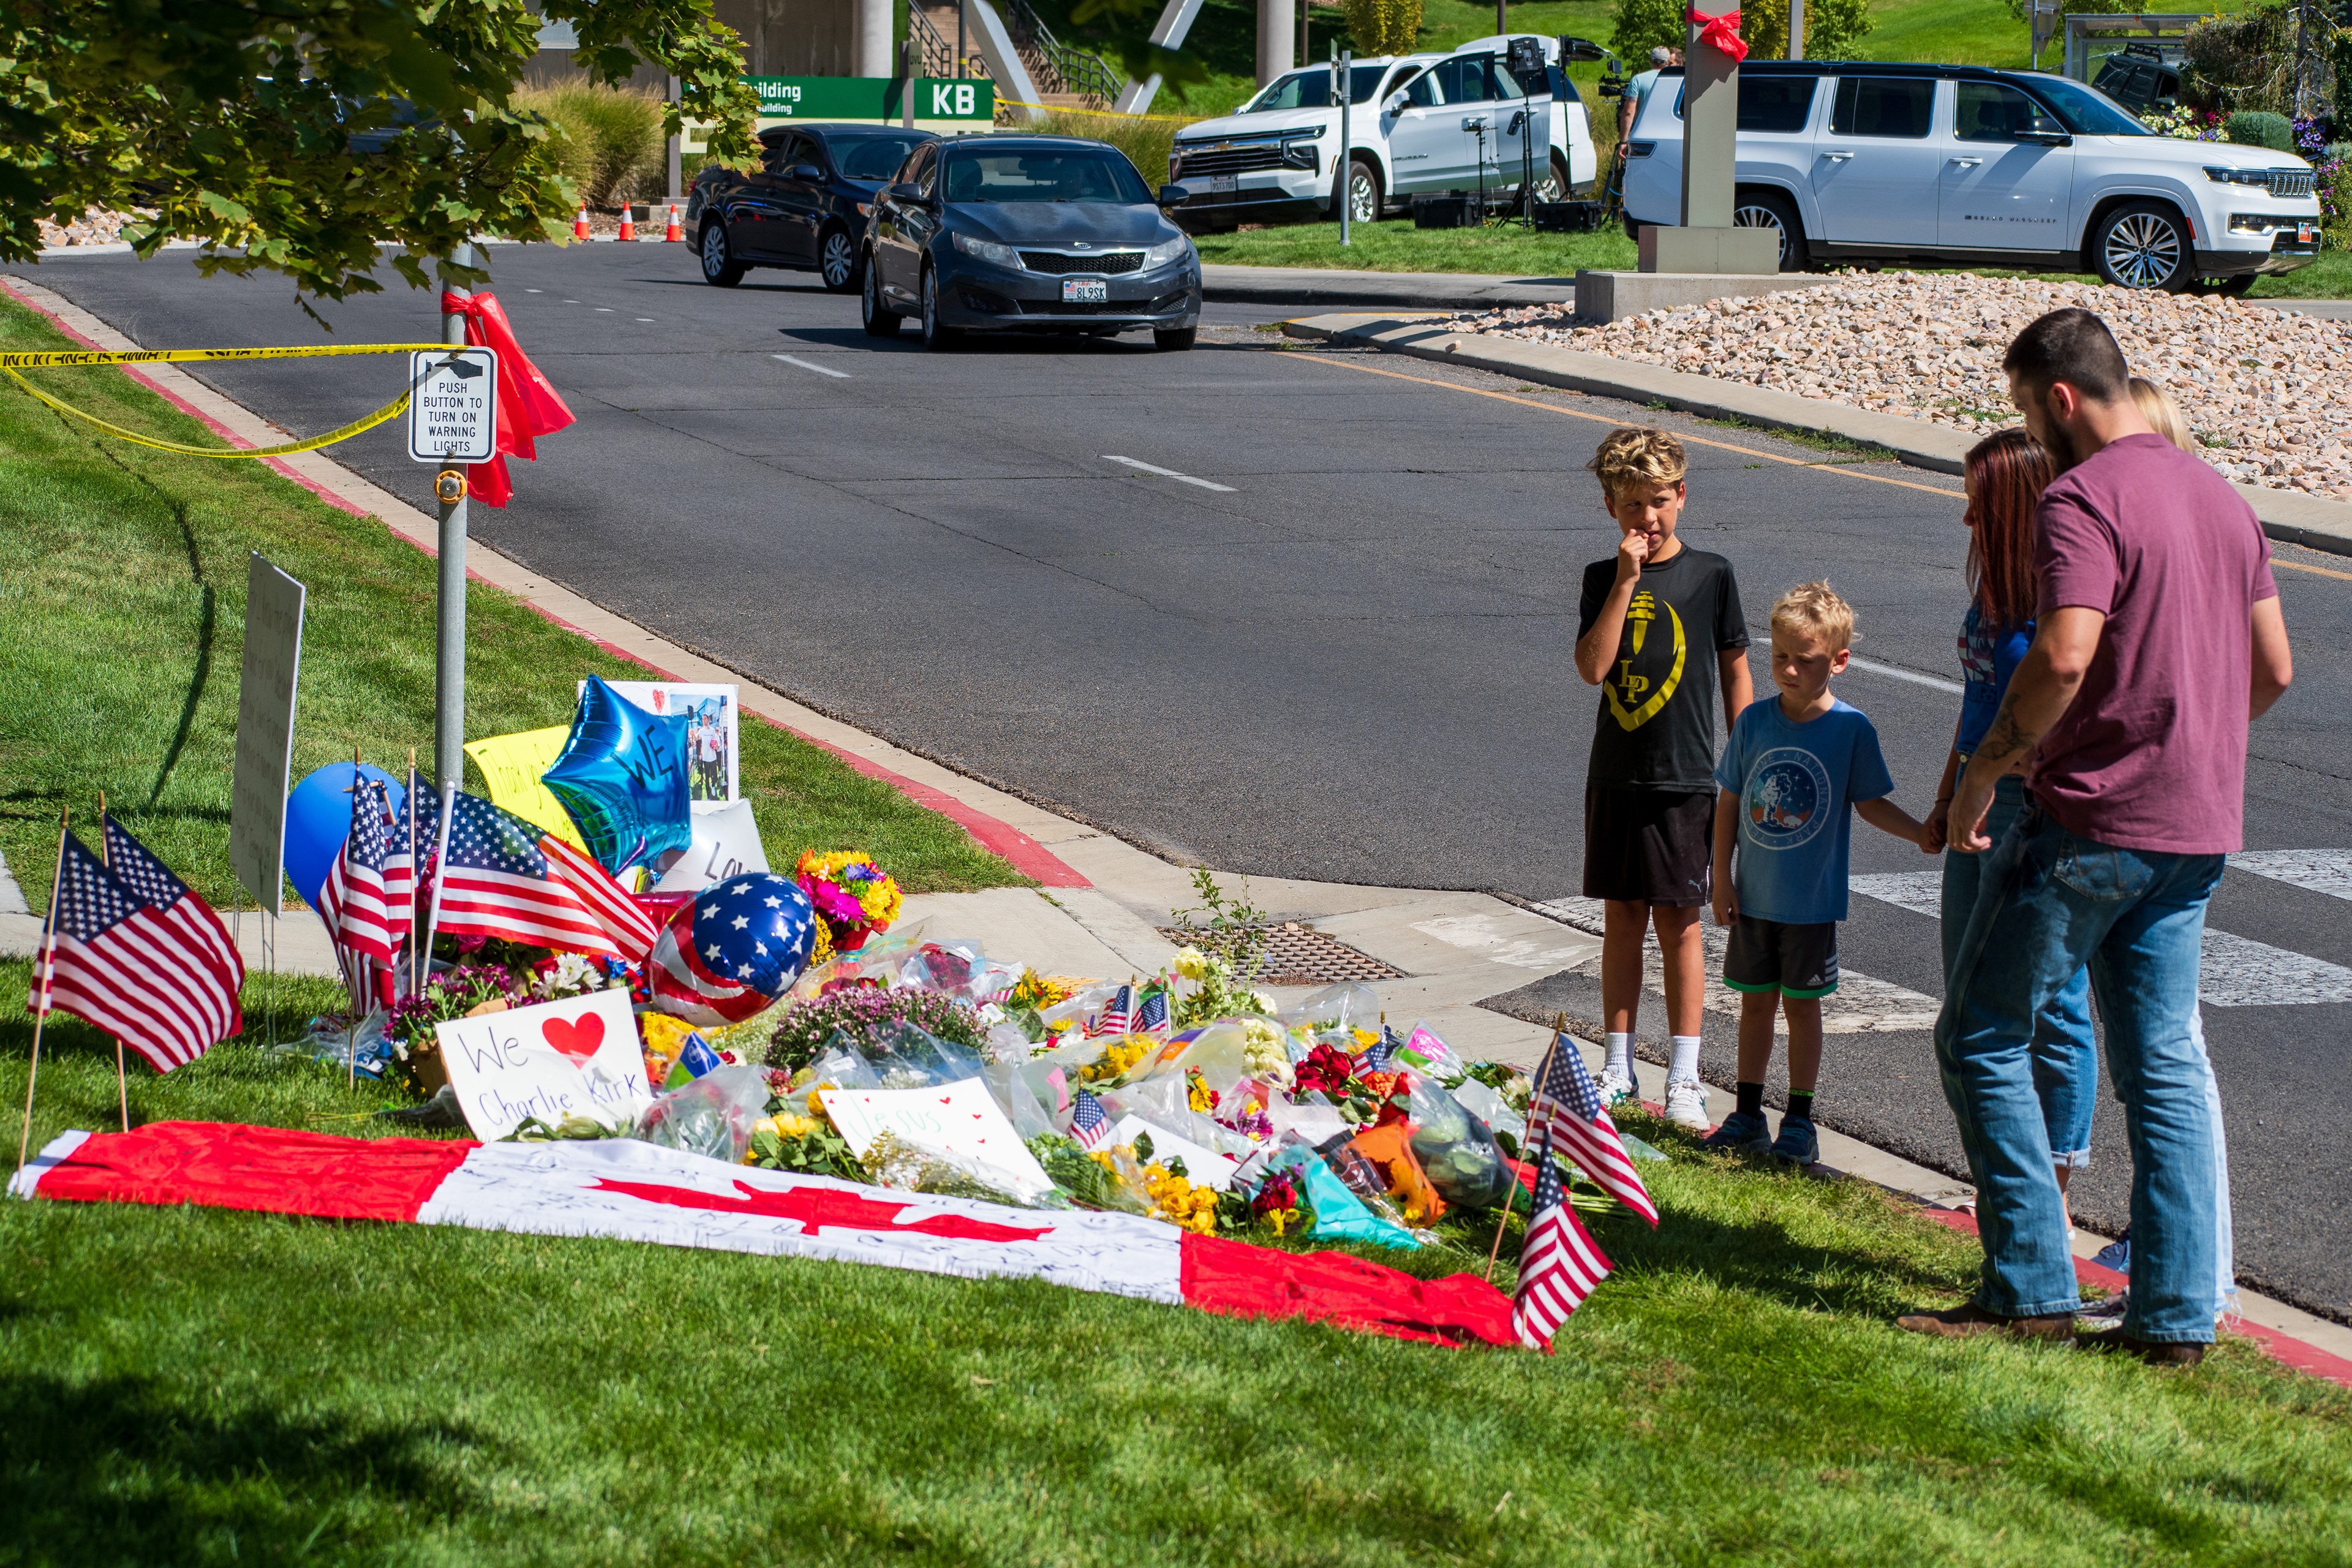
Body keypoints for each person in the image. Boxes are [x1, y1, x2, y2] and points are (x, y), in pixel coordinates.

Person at [1900, 307, 2293, 1365]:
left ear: (2060, 400)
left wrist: (1990, 767)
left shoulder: (2082, 499)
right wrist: (2188, 739)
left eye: (2029, 408)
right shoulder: (2219, 496)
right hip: (2195, 826)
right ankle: (2172, 1320)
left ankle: (2028, 1286)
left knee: (1979, 1035)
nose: (2031, 426)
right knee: (2159, 1064)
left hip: (2090, 825)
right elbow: (2273, 669)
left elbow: (2065, 656)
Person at [1923, 429, 2100, 1234]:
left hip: (2031, 815)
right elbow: (1976, 705)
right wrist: (1948, 791)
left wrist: (1993, 787)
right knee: (1969, 1000)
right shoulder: (1993, 592)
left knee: (2051, 1004)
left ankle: (2051, 1188)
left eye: (1976, 502)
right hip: (1974, 804)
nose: (1963, 517)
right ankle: (2007, 1175)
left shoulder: (2060, 598)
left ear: (2015, 508)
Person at [1705, 582, 1933, 1163]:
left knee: (1802, 1007)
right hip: (1754, 897)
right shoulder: (1754, 723)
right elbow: (1730, 801)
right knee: (1753, 1003)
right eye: (1779, 656)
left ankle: (1800, 1120)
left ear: (1838, 662)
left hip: (1810, 904)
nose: (1787, 669)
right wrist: (1721, 877)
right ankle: (1748, 1112)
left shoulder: (1851, 730)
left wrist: (1919, 832)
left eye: (1803, 661)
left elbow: (1870, 801)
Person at [1575, 428, 1754, 1129]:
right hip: (1617, 776)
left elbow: (1735, 666)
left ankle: (1685, 1073)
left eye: (1656, 502)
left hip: (1685, 778)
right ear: (1610, 507)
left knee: (1680, 924)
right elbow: (1594, 667)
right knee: (1622, 918)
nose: (1645, 519)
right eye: (1629, 506)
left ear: (1681, 495)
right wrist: (1625, 580)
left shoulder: (1712, 574)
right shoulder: (1601, 576)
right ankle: (1617, 1067)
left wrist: (1748, 754)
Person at [1619, 46, 1673, 143]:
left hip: (1642, 136)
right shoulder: (1675, 80)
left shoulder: (1638, 80)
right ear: (1668, 61)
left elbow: (1629, 112)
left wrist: (1623, 142)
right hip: (1669, 135)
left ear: (1650, 60)